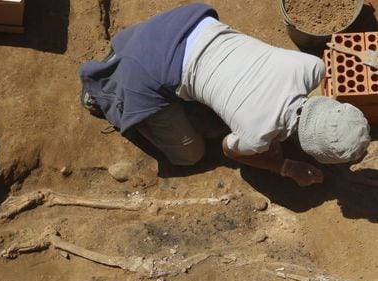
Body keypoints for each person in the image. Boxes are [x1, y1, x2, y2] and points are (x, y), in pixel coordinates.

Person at [79, 3, 371, 187]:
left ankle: (135, 55)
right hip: (144, 73)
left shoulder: (311, 67)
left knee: (213, 110)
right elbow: (229, 149)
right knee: (189, 154)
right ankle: (106, 87)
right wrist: (286, 166)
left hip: (188, 23)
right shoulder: (257, 134)